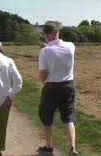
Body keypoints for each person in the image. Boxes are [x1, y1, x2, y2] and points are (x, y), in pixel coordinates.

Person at [38, 23, 79, 156]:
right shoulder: (71, 46)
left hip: (52, 88)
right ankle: (73, 148)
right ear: (57, 33)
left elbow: (43, 75)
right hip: (68, 86)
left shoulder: (45, 52)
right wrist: (48, 47)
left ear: (46, 35)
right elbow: (59, 52)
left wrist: (46, 49)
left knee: (47, 117)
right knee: (68, 117)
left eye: (44, 35)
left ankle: (49, 147)